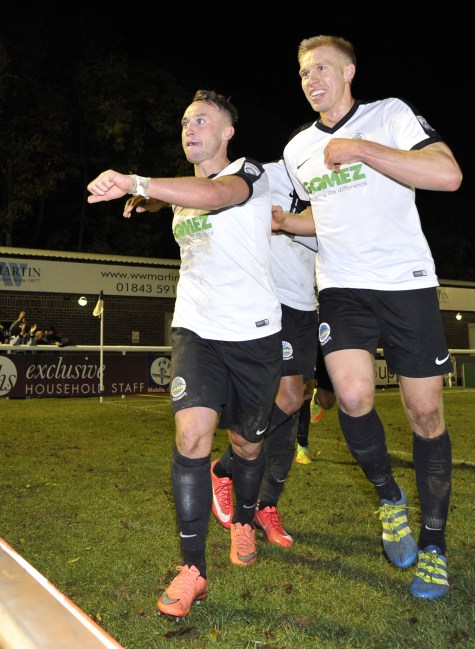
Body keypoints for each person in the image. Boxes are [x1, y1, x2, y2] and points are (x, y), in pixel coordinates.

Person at [274, 35, 462, 600]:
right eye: (305, 72)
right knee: (352, 398)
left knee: (424, 413)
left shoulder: (390, 116)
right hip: (342, 289)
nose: (312, 79)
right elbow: (325, 220)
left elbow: (447, 174)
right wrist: (287, 223)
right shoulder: (296, 149)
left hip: (406, 284)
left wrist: (360, 148)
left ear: (350, 71)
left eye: (322, 67)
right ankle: (389, 500)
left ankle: (434, 545)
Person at [86, 89, 281, 620]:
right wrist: (153, 200)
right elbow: (193, 196)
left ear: (227, 132)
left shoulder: (250, 173)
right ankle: (193, 568)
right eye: (184, 122)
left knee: (245, 444)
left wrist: (138, 184)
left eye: (202, 121)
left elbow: (219, 196)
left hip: (255, 335)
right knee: (191, 434)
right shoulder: (183, 191)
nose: (190, 129)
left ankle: (243, 518)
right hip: (196, 328)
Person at [208, 159, 317, 547]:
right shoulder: (270, 173)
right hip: (276, 302)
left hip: (311, 307)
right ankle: (225, 467)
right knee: (287, 397)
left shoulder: (329, 187)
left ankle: (265, 506)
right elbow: (217, 187)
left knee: (294, 407)